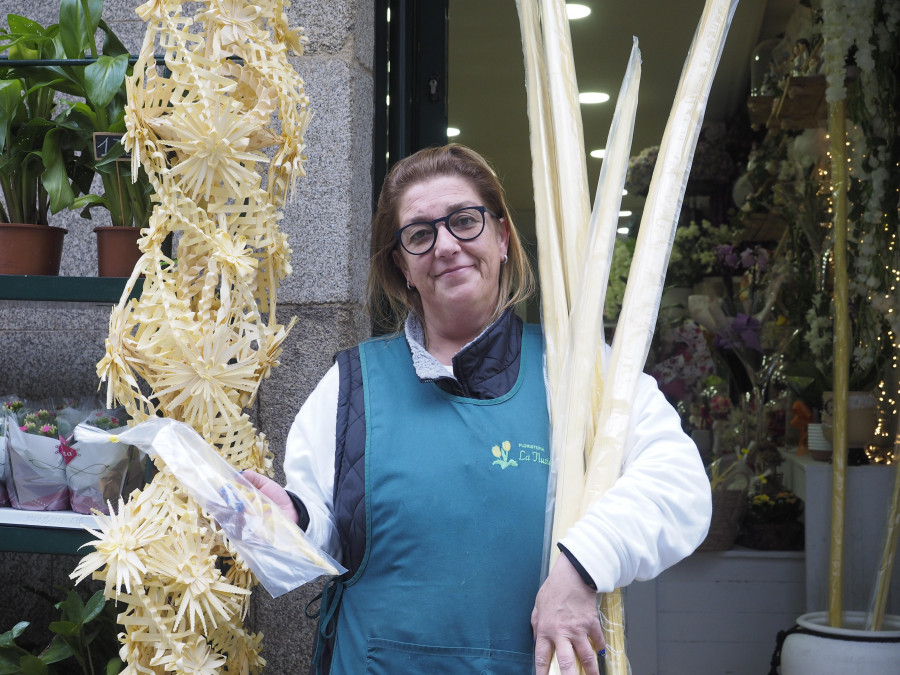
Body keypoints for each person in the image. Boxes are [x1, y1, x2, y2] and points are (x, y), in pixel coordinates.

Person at [245, 144, 712, 675]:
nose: (446, 246)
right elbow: (319, 524)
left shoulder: (577, 372)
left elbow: (680, 486)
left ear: (503, 237)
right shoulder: (352, 384)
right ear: (402, 267)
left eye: (465, 221)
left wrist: (582, 566)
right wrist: (289, 520)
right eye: (420, 234)